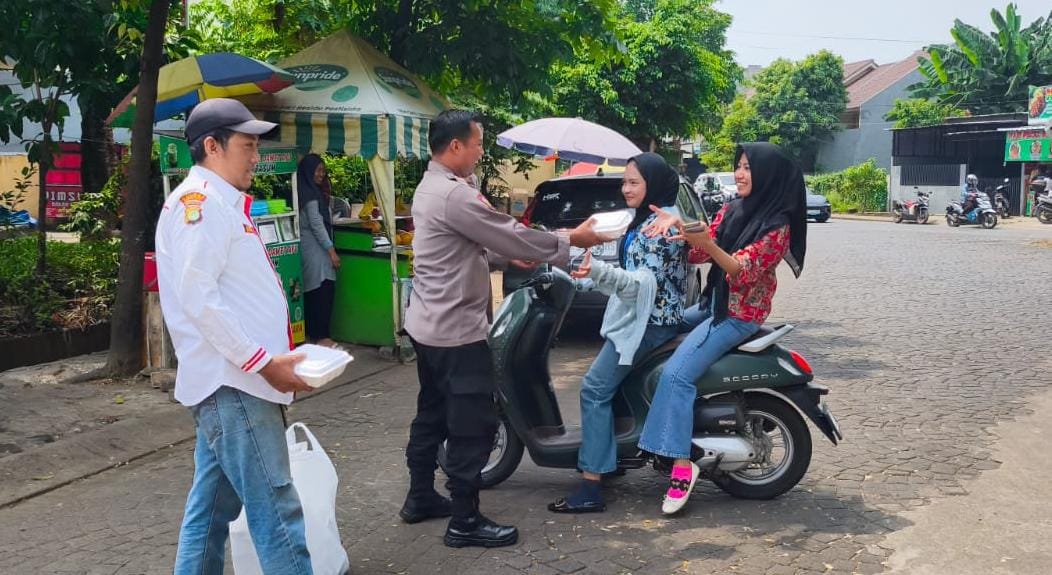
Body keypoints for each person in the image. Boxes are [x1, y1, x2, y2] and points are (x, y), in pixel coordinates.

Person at [400, 109, 612, 548]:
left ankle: (419, 497)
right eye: (477, 143)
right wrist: (572, 240)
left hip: (428, 325)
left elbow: (468, 246)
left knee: (432, 415)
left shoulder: (434, 187)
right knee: (471, 424)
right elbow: (507, 231)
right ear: (455, 146)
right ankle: (465, 521)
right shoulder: (453, 195)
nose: (481, 151)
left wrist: (503, 256)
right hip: (457, 331)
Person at [156, 98, 315, 573]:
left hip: (234, 384)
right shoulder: (199, 206)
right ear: (211, 146)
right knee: (277, 507)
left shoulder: (223, 202)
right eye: (247, 145)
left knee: (210, 511)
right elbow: (200, 300)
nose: (255, 156)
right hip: (236, 385)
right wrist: (265, 364)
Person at [637, 142, 807, 515]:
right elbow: (700, 251)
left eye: (748, 167)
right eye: (739, 166)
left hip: (737, 315)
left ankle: (681, 465)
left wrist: (706, 243)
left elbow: (741, 271)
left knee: (677, 376)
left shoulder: (777, 226)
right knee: (661, 327)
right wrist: (678, 227)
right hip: (713, 303)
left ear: (768, 176)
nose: (740, 173)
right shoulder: (734, 209)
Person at [546, 153, 687, 514]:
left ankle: (592, 484)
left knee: (594, 388)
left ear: (652, 184)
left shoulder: (661, 227)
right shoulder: (647, 219)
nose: (625, 188)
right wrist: (592, 274)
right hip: (640, 318)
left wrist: (598, 274)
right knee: (609, 386)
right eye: (624, 181)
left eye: (634, 182)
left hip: (649, 323)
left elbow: (642, 287)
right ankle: (614, 455)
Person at [297, 153, 340, 348]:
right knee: (322, 291)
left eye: (323, 170)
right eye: (318, 170)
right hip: (316, 250)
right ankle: (321, 336)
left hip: (312, 248)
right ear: (308, 171)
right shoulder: (310, 194)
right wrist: (331, 251)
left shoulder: (307, 190)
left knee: (316, 290)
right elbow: (316, 224)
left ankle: (316, 335)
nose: (321, 174)